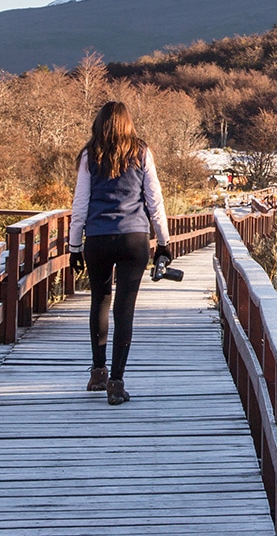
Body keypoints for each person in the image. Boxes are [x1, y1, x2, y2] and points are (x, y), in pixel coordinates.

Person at [68, 101, 172, 406]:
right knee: (124, 309)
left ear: (99, 124)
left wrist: (75, 246)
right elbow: (155, 200)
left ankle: (97, 371)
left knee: (99, 301)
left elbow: (80, 206)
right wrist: (163, 242)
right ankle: (116, 382)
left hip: (98, 238)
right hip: (133, 239)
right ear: (128, 123)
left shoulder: (90, 154)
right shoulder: (141, 152)